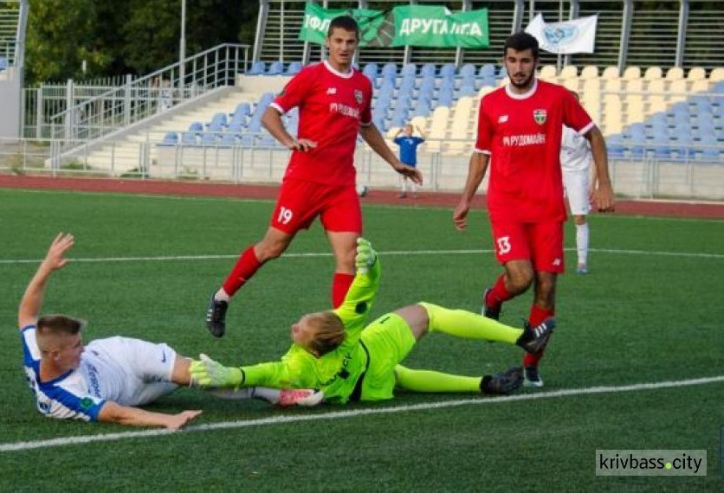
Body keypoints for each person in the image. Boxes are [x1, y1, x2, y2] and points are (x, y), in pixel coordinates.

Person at [205, 15, 422, 338]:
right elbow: (270, 114)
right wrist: (290, 140)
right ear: (328, 43)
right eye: (338, 41)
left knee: (349, 257)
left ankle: (341, 334)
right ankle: (221, 298)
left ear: (356, 44)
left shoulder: (362, 85)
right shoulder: (312, 77)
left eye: (350, 42)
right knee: (272, 247)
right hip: (304, 180)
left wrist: (394, 161)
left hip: (341, 186)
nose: (344, 47)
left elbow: (366, 127)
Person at [190, 239, 556, 403]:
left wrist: (232, 375)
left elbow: (262, 373)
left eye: (298, 326)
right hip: (373, 349)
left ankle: (483, 384)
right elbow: (366, 285)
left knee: (403, 379)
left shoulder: (297, 366)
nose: (293, 326)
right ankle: (522, 338)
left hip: (367, 391)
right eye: (299, 325)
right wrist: (371, 261)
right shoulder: (345, 328)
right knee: (427, 313)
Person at [19, 233, 322, 430]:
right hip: (132, 394)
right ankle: (271, 392)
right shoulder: (63, 395)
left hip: (122, 354)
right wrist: (168, 420)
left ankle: (279, 395)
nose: (83, 349)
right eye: (76, 347)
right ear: (55, 354)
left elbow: (27, 313)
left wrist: (46, 267)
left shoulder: (37, 348)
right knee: (193, 381)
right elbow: (116, 414)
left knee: (200, 373)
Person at [452, 32, 614, 388]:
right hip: (506, 205)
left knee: (546, 289)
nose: (519, 67)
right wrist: (466, 197)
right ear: (504, 61)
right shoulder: (491, 103)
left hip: (546, 208)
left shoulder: (557, 98)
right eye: (512, 60)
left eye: (525, 61)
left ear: (536, 61)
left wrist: (603, 182)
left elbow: (595, 135)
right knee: (521, 279)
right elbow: (482, 154)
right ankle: (493, 297)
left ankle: (530, 365)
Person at [561, 91, 594, 275]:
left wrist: (594, 184)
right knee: (549, 216)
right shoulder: (554, 123)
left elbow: (597, 154)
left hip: (578, 174)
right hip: (556, 173)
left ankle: (582, 261)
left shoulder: (586, 125)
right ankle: (548, 256)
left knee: (579, 218)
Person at [393, 123, 426, 198]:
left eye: (409, 130)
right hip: (403, 161)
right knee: (404, 176)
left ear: (412, 131)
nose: (408, 131)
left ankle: (414, 192)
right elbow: (393, 139)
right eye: (406, 130)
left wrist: (420, 130)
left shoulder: (415, 139)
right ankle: (403, 192)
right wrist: (398, 132)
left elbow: (424, 138)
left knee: (412, 176)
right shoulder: (402, 139)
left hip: (412, 161)